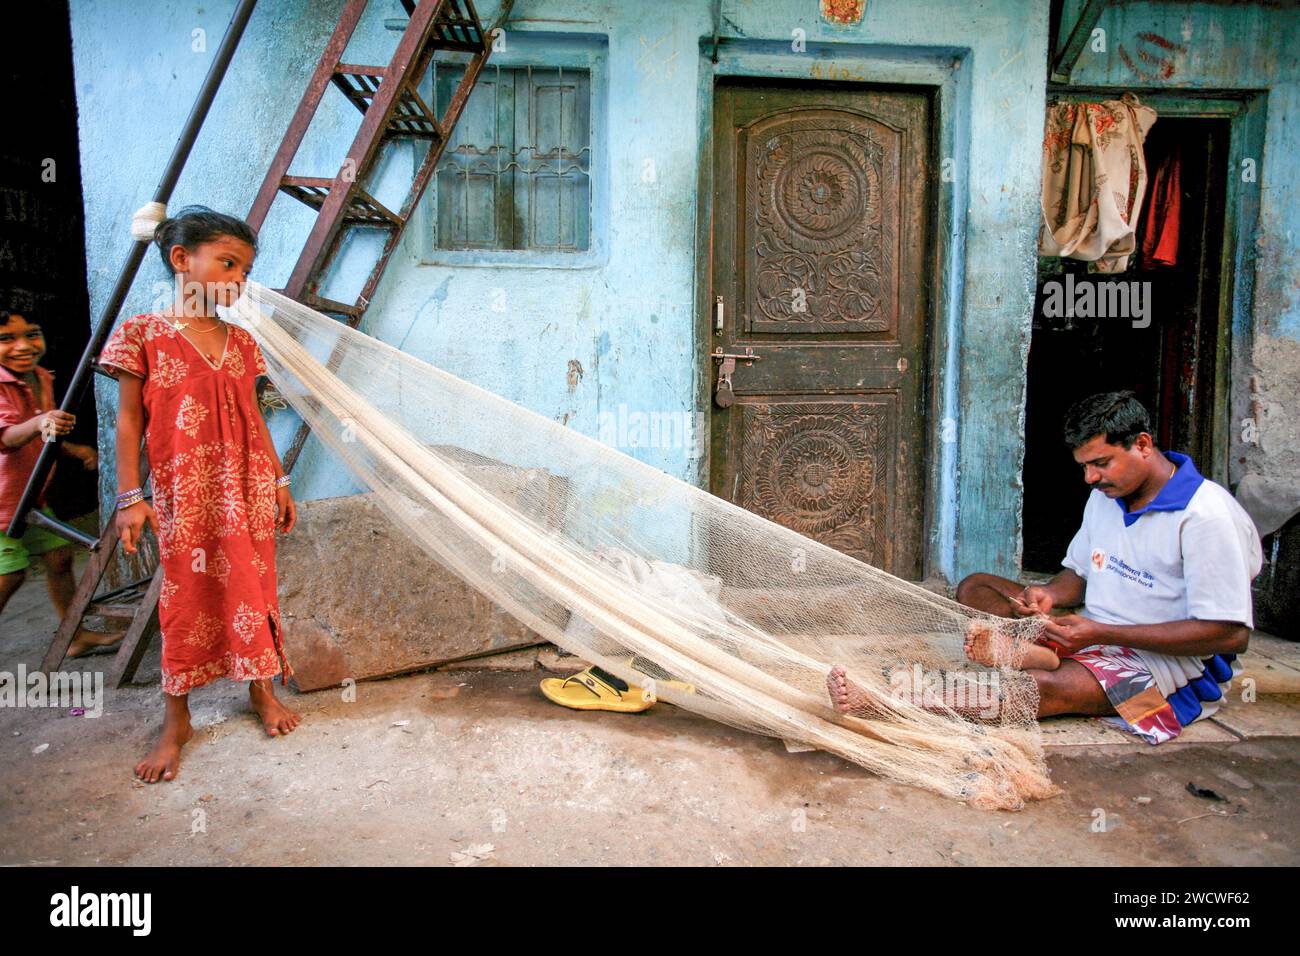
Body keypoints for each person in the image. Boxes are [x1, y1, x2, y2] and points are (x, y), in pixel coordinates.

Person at [99, 206, 301, 783]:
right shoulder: (143, 335)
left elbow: (255, 418)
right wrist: (129, 497)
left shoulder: (241, 343)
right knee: (185, 597)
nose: (238, 279)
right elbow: (129, 423)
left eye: (245, 269)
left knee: (254, 586)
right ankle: (176, 720)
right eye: (229, 264)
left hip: (248, 488)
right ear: (182, 260)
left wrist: (278, 479)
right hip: (185, 496)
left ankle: (262, 693)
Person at [942, 391, 1261, 743]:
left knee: (1037, 689)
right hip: (1094, 634)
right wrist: (1047, 595)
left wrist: (1101, 633)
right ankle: (1037, 652)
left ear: (1142, 444)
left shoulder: (1206, 516)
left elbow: (1230, 634)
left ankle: (898, 702)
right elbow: (1077, 576)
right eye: (1084, 466)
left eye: (1101, 463)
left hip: (1167, 664)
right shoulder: (1105, 498)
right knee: (976, 587)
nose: (1090, 478)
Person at [0, 308, 104, 655]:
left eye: (31, 334)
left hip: (30, 497)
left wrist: (73, 449)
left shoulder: (40, 376)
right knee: (9, 575)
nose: (22, 346)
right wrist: (43, 421)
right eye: (6, 339)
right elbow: (10, 437)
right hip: (1, 505)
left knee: (60, 557)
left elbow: (40, 434)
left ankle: (73, 636)